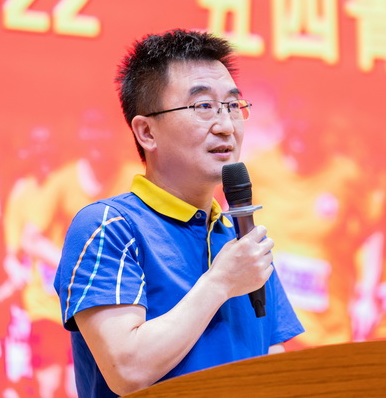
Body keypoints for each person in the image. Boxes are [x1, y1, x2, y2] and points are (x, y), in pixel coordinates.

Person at [54, 29, 304, 396]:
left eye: (233, 105)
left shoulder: (240, 241)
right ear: (146, 132)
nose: (226, 126)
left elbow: (273, 364)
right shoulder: (111, 227)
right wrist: (219, 284)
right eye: (203, 106)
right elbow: (127, 369)